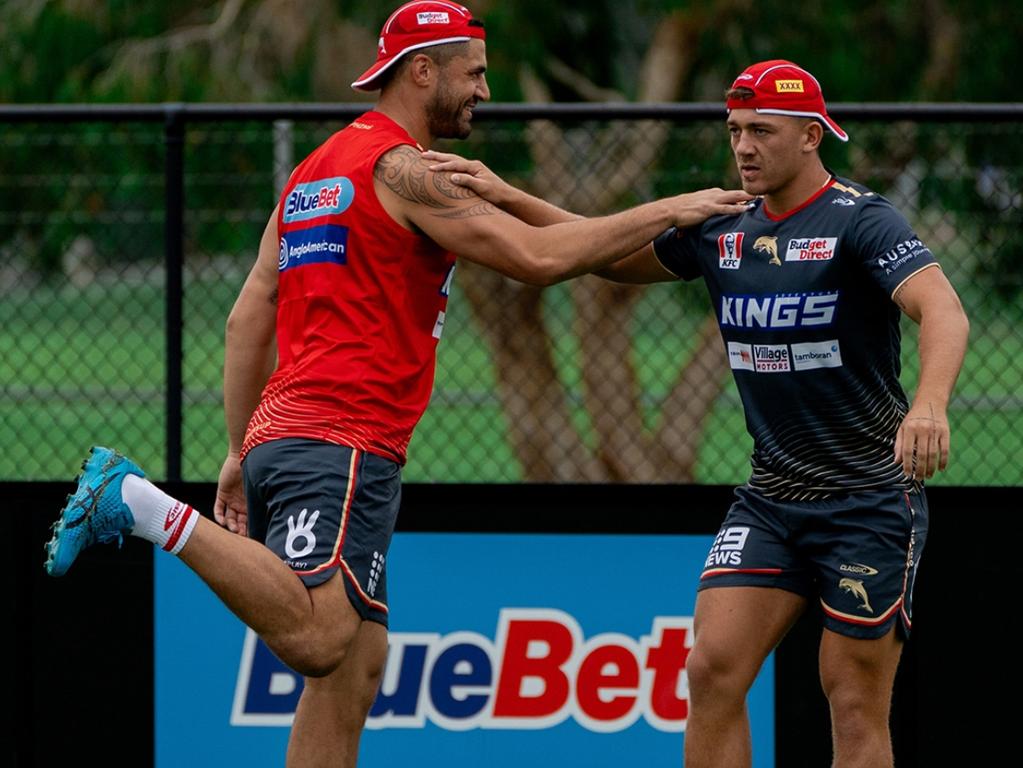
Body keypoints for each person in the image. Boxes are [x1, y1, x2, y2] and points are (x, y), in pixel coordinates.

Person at [43, 3, 751, 766]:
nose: (483, 89)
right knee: (321, 639)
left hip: (292, 434)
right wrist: (669, 207)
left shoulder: (314, 172)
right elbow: (539, 260)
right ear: (423, 70)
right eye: (473, 72)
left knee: (353, 674)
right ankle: (137, 502)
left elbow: (247, 317)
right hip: (339, 440)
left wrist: (241, 448)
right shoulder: (403, 170)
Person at [428, 59, 969, 767]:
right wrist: (508, 195)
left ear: (810, 135)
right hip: (771, 501)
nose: (742, 147)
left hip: (867, 499)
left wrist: (927, 405)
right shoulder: (721, 225)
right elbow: (608, 252)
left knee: (852, 698)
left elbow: (943, 309)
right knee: (710, 672)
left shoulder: (859, 220)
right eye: (734, 130)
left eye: (761, 131)